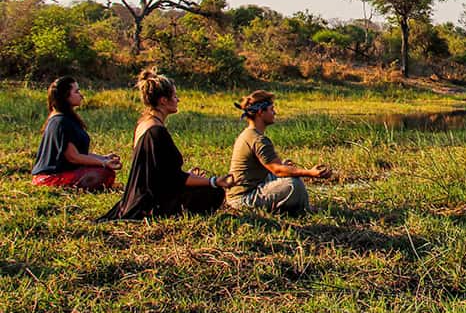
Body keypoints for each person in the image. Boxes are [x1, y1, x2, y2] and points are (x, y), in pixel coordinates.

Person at [100, 70, 234, 220]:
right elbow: (173, 178)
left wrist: (190, 176)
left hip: (138, 195)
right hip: (150, 202)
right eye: (175, 96)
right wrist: (214, 181)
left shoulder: (144, 124)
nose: (178, 100)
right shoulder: (156, 132)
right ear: (163, 100)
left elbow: (159, 173)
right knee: (214, 192)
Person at [227, 90, 330, 213]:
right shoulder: (258, 139)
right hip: (243, 199)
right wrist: (310, 173)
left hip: (251, 186)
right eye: (271, 109)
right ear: (260, 112)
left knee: (289, 174)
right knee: (294, 184)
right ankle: (306, 210)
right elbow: (277, 169)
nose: (274, 112)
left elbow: (273, 167)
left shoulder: (248, 134)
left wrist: (285, 167)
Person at [31, 76, 121, 190]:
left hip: (60, 173)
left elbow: (79, 153)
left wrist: (104, 158)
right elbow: (73, 157)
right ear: (65, 96)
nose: (81, 95)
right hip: (50, 178)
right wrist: (103, 164)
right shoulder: (61, 122)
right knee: (104, 173)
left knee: (106, 171)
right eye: (76, 91)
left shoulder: (66, 119)